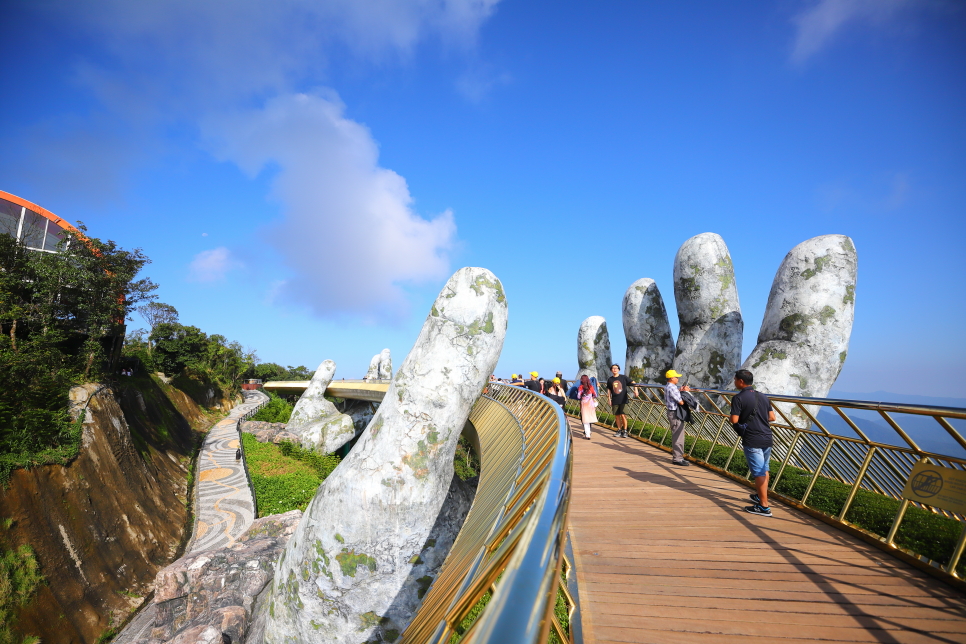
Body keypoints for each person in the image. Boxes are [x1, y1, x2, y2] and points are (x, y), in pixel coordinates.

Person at [730, 369, 777, 518]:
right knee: (765, 468)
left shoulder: (739, 398)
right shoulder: (762, 396)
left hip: (752, 438)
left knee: (758, 472)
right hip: (767, 437)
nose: (734, 382)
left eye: (735, 380)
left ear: (741, 382)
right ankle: (759, 495)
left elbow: (734, 420)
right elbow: (772, 417)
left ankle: (764, 507)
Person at [664, 369, 692, 466]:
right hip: (675, 414)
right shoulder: (672, 388)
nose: (678, 379)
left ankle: (678, 456)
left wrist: (680, 390)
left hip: (672, 413)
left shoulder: (669, 386)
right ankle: (677, 459)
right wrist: (687, 393)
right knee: (678, 436)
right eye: (676, 377)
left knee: (677, 435)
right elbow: (681, 402)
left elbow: (675, 396)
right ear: (672, 378)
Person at [606, 364, 631, 438]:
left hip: (623, 399)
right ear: (611, 370)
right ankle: (619, 430)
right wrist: (609, 399)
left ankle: (625, 431)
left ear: (619, 369)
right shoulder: (610, 379)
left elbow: (633, 382)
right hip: (615, 399)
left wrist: (636, 390)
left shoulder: (623, 377)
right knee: (617, 416)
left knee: (623, 415)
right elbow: (609, 390)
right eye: (613, 368)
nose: (614, 369)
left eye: (616, 368)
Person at [577, 375, 598, 440]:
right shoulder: (591, 387)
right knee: (589, 419)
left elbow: (578, 396)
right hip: (590, 404)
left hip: (584, 404)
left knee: (585, 419)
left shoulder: (580, 387)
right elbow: (595, 395)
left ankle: (587, 434)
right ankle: (589, 432)